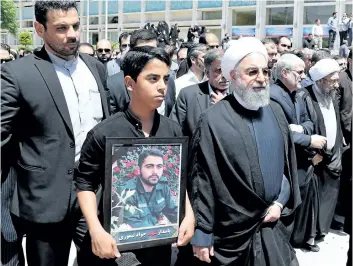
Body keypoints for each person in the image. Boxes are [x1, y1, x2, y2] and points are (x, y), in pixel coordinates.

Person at [1, 1, 110, 266]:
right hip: (45, 200)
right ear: (40, 28)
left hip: (95, 194)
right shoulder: (17, 73)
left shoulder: (96, 68)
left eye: (75, 26)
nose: (72, 34)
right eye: (61, 28)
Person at [75, 46, 195, 266]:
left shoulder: (173, 131)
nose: (162, 87)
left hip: (160, 246)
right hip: (114, 248)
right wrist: (95, 230)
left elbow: (180, 180)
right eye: (153, 78)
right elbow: (84, 184)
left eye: (166, 79)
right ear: (130, 83)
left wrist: (189, 215)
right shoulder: (105, 133)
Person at [189, 37, 301, 266]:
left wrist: (279, 203)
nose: (261, 78)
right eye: (252, 72)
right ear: (233, 76)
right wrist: (202, 232)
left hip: (271, 224)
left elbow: (287, 166)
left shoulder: (276, 112)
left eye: (265, 72)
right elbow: (202, 180)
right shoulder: (212, 120)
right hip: (231, 234)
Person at [270, 54, 324, 252]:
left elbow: (308, 121)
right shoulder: (273, 96)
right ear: (284, 73)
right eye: (299, 72)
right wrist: (308, 139)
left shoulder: (297, 95)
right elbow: (280, 131)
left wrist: (299, 130)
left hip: (301, 162)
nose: (303, 76)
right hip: (284, 165)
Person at [299, 58, 342, 241]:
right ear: (319, 81)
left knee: (330, 194)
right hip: (315, 156)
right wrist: (312, 154)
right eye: (332, 81)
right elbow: (302, 127)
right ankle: (310, 235)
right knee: (313, 198)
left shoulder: (331, 93)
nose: (336, 84)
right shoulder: (305, 96)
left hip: (334, 153)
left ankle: (322, 230)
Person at [107, 29, 176, 116]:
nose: (149, 55)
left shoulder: (169, 82)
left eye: (153, 49)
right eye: (143, 51)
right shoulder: (114, 84)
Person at [170, 49, 229, 137]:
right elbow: (174, 131)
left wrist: (225, 107)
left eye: (227, 70)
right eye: (219, 70)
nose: (225, 76)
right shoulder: (188, 95)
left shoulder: (241, 94)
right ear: (207, 73)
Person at [113, 149, 178, 228]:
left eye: (159, 166)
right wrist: (158, 226)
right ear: (139, 169)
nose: (155, 171)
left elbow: (174, 213)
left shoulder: (163, 186)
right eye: (149, 166)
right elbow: (135, 225)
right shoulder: (127, 191)